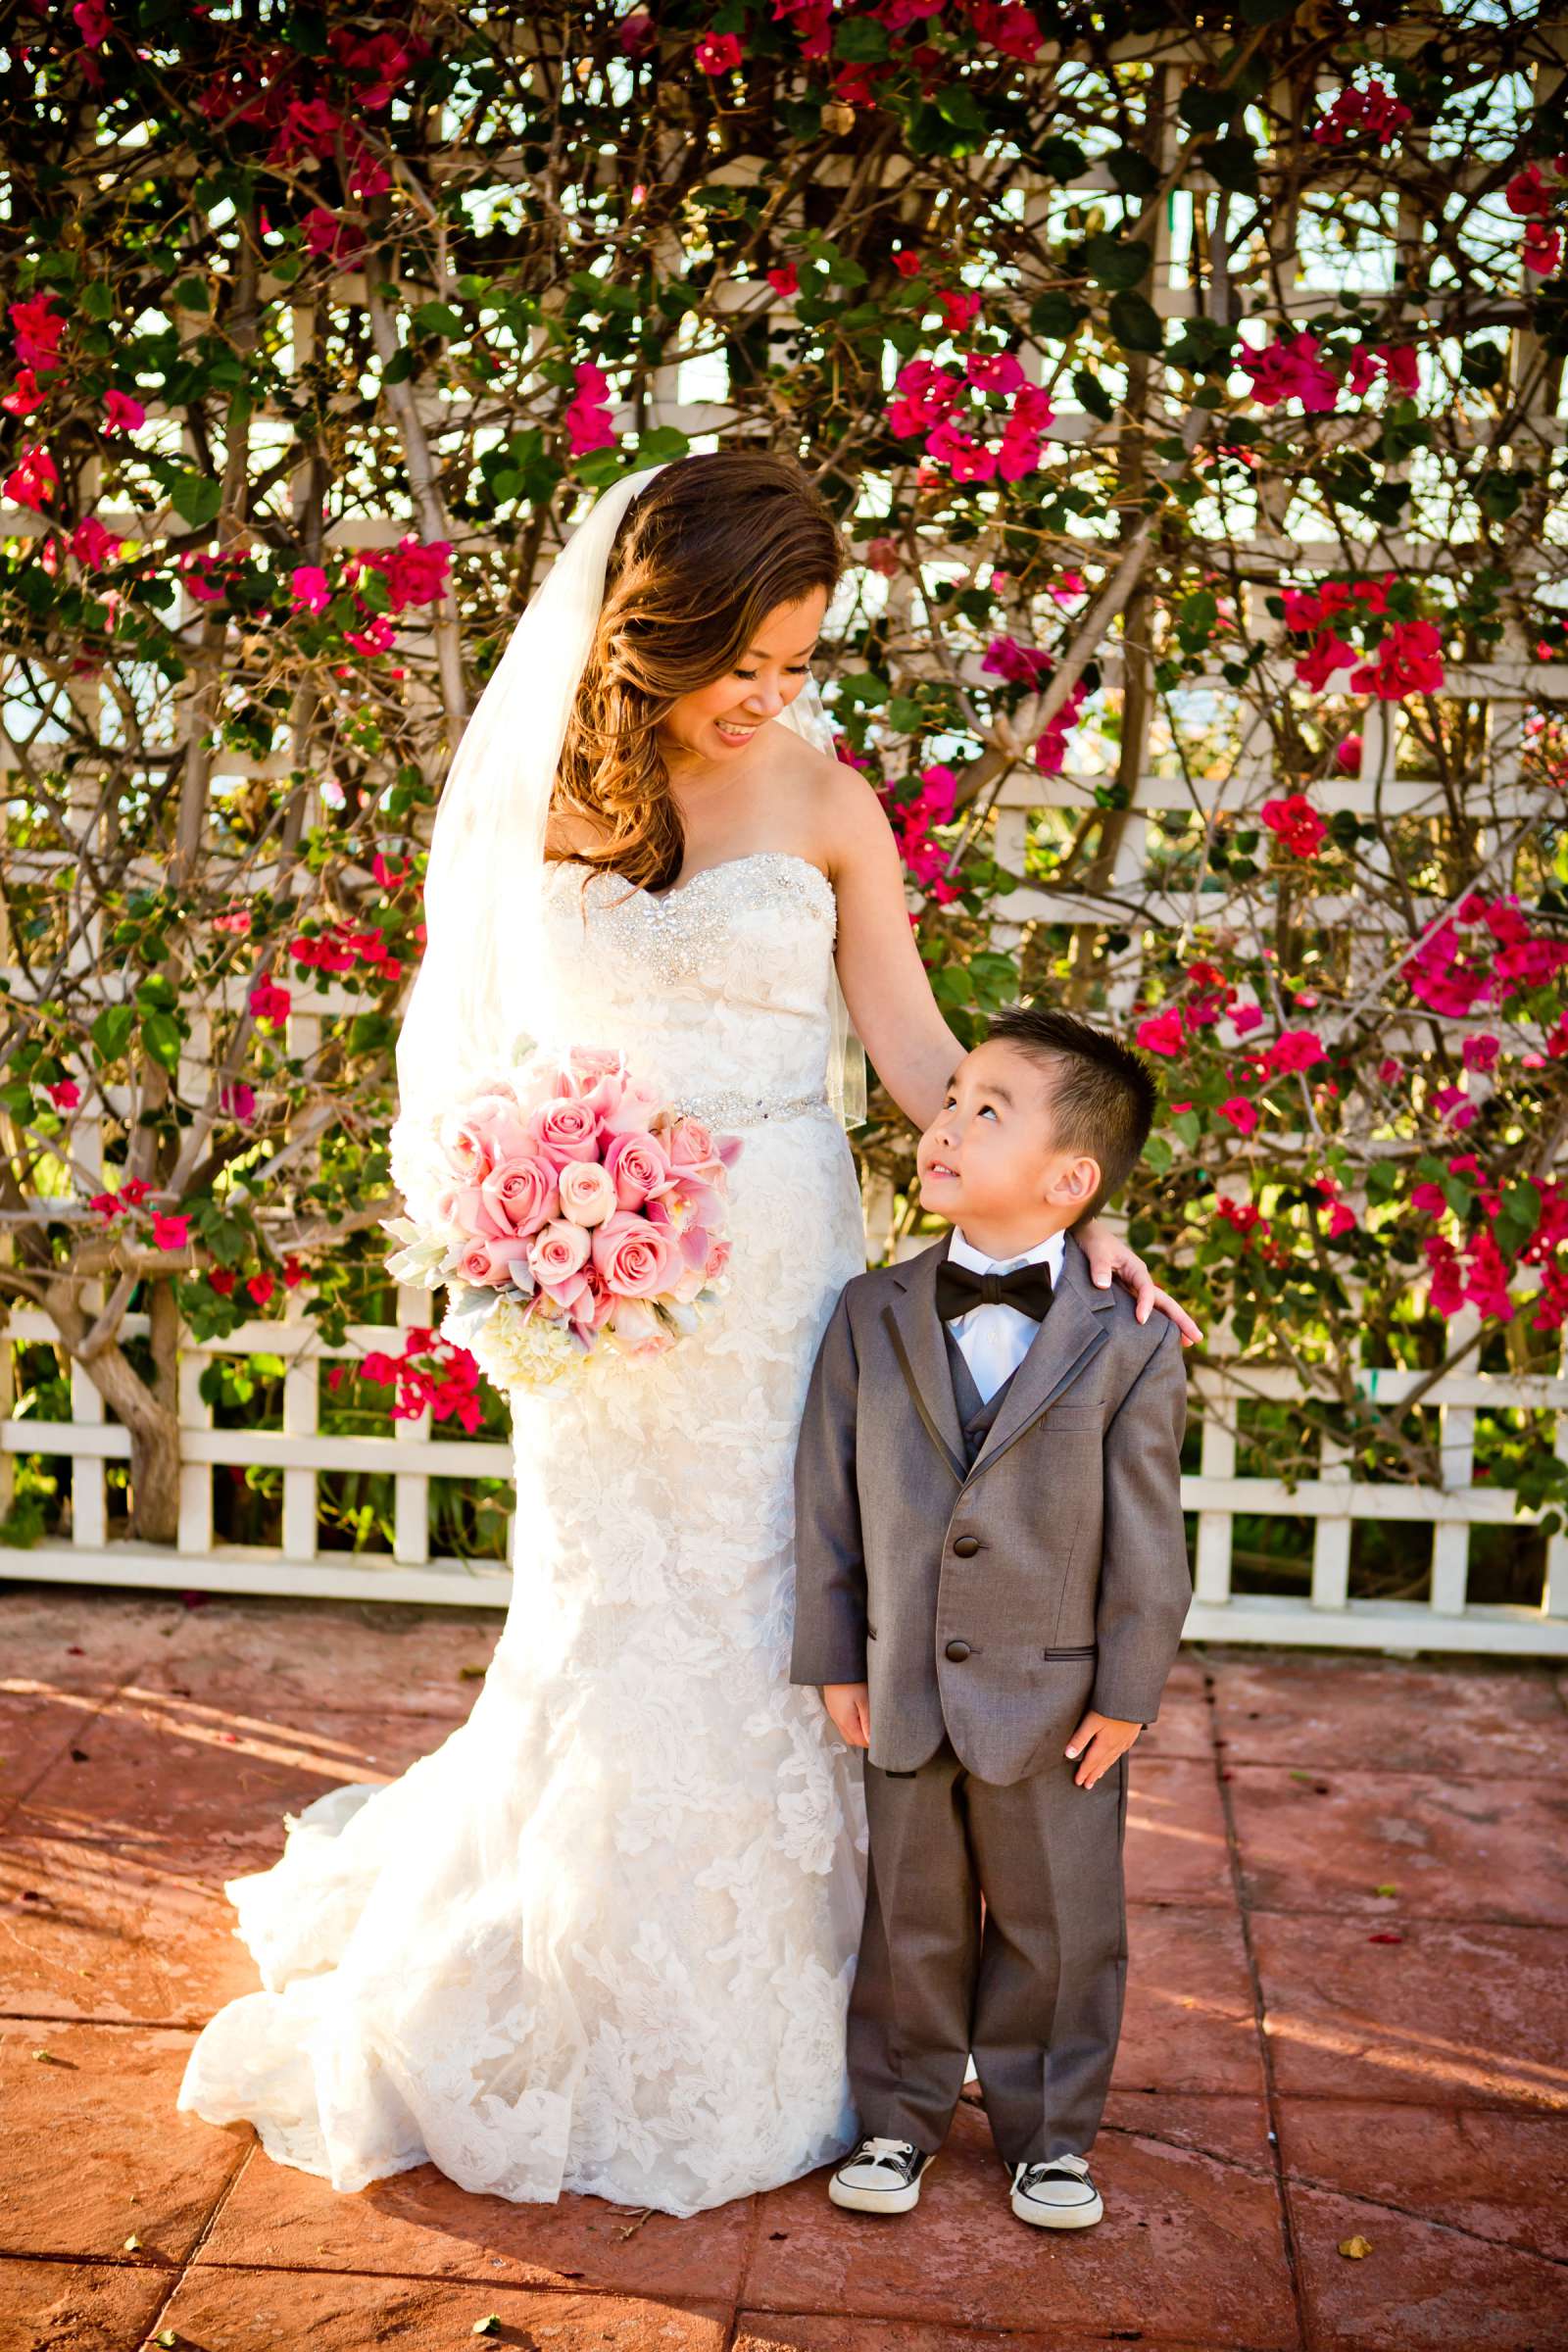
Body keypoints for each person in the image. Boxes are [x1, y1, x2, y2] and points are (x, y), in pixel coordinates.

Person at [175, 452, 1197, 2219]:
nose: (774, 698)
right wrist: (514, 1203)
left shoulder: (826, 803)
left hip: (782, 1279)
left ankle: (825, 2022)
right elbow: (470, 1050)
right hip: (588, 1295)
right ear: (663, 622)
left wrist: (1075, 1216)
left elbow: (912, 1055)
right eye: (751, 659)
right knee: (600, 1606)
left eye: (801, 664)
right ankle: (568, 1976)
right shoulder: (533, 797)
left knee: (779, 1611)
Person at [790, 1005, 1192, 2230]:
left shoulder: (1128, 1340)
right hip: (902, 1678)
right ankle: (900, 2120)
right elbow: (825, 1502)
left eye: (984, 1110)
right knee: (908, 1921)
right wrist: (832, 1656)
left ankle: (1050, 2137)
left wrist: (1127, 1691)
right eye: (948, 1097)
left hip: (1058, 1695)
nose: (943, 1125)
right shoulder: (870, 1312)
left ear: (1069, 1180)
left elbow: (1147, 1540)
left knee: (1059, 1927)